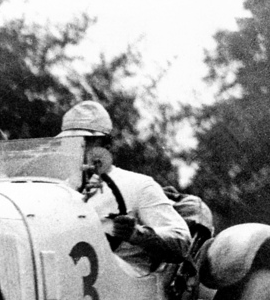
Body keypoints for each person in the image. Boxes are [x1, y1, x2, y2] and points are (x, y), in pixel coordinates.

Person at [57, 100, 191, 275]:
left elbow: (181, 242)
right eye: (70, 141)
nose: (78, 149)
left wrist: (136, 234)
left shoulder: (138, 185)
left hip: (125, 283)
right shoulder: (57, 191)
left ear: (106, 146)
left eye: (87, 141)